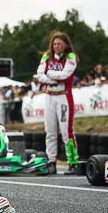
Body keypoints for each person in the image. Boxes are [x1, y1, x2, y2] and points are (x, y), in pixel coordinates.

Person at [34, 32, 79, 174]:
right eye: (54, 44)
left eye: (59, 44)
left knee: (67, 132)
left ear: (66, 44)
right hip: (49, 97)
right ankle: (51, 161)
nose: (56, 46)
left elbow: (66, 75)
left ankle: (73, 162)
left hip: (63, 97)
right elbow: (39, 75)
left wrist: (50, 74)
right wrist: (53, 78)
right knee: (50, 132)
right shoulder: (47, 56)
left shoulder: (71, 57)